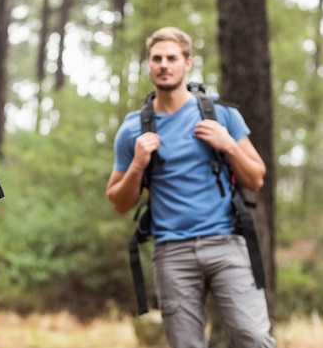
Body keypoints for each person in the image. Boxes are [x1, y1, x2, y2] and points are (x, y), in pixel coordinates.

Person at [106, 27, 275, 347]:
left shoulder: (222, 115)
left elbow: (256, 178)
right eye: (157, 59)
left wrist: (229, 145)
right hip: (173, 252)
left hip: (227, 244)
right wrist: (139, 163)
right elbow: (118, 201)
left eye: (172, 58)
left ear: (187, 63)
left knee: (252, 336)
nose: (164, 64)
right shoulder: (133, 129)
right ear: (148, 65)